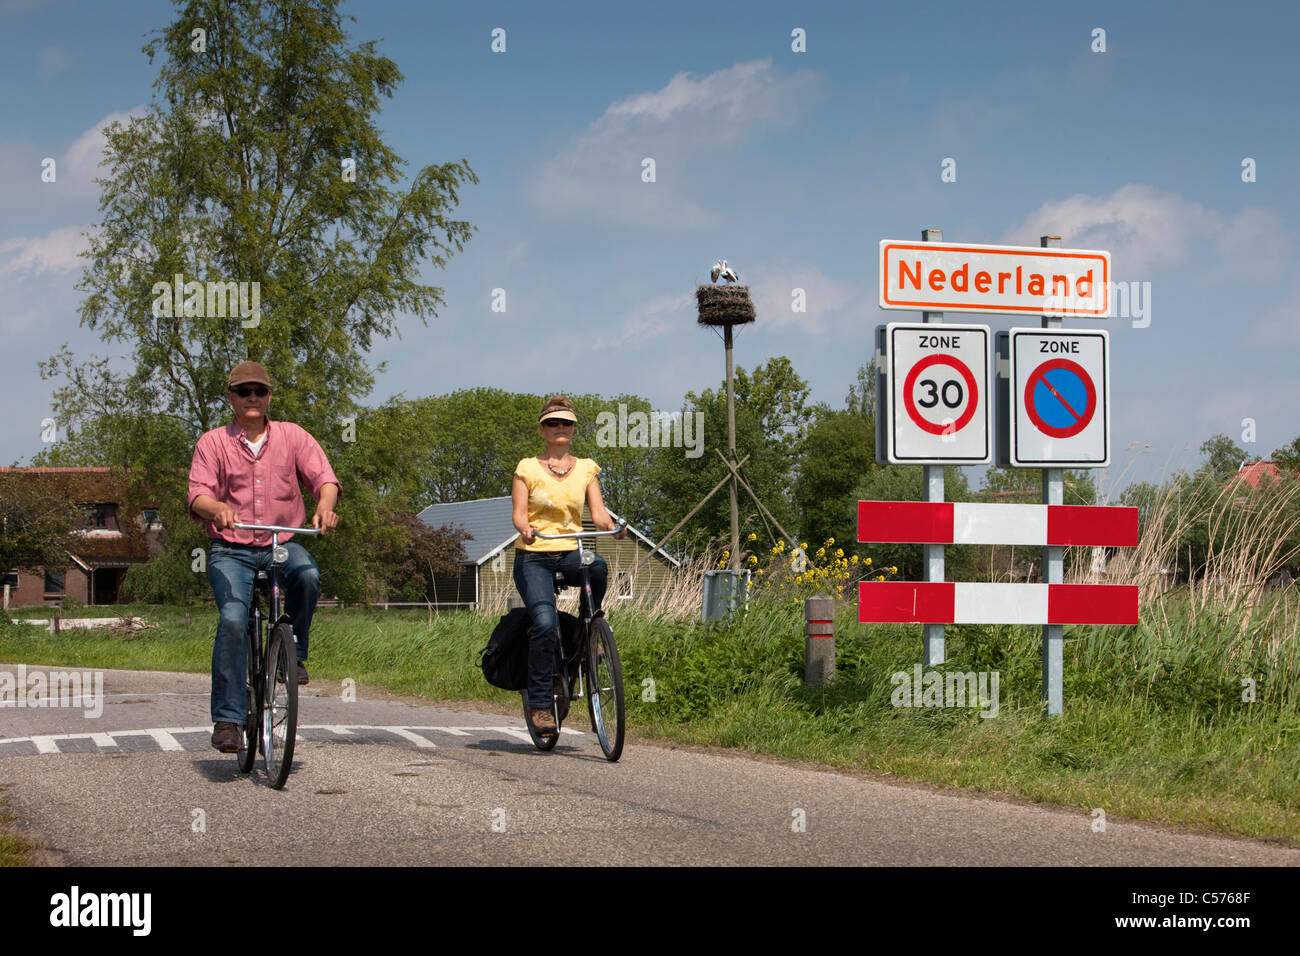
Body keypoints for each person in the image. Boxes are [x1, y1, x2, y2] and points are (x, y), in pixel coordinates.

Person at [188, 361, 341, 753]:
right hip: (232, 549)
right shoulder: (212, 442)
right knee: (235, 619)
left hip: (281, 544)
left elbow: (324, 479)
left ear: (269, 396)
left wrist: (325, 506)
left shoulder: (293, 436)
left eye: (259, 391)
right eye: (244, 392)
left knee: (307, 574)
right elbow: (198, 495)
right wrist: (216, 508)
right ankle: (228, 719)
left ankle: (295, 657)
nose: (252, 398)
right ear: (231, 398)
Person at [512, 395, 626, 736]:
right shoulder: (527, 468)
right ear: (543, 430)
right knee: (545, 623)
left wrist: (614, 527)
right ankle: (541, 705)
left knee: (598, 565)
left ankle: (588, 628)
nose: (559, 428)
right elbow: (518, 514)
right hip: (534, 554)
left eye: (565, 423)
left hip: (571, 551)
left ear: (574, 428)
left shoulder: (587, 469)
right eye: (552, 423)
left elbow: (599, 514)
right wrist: (525, 527)